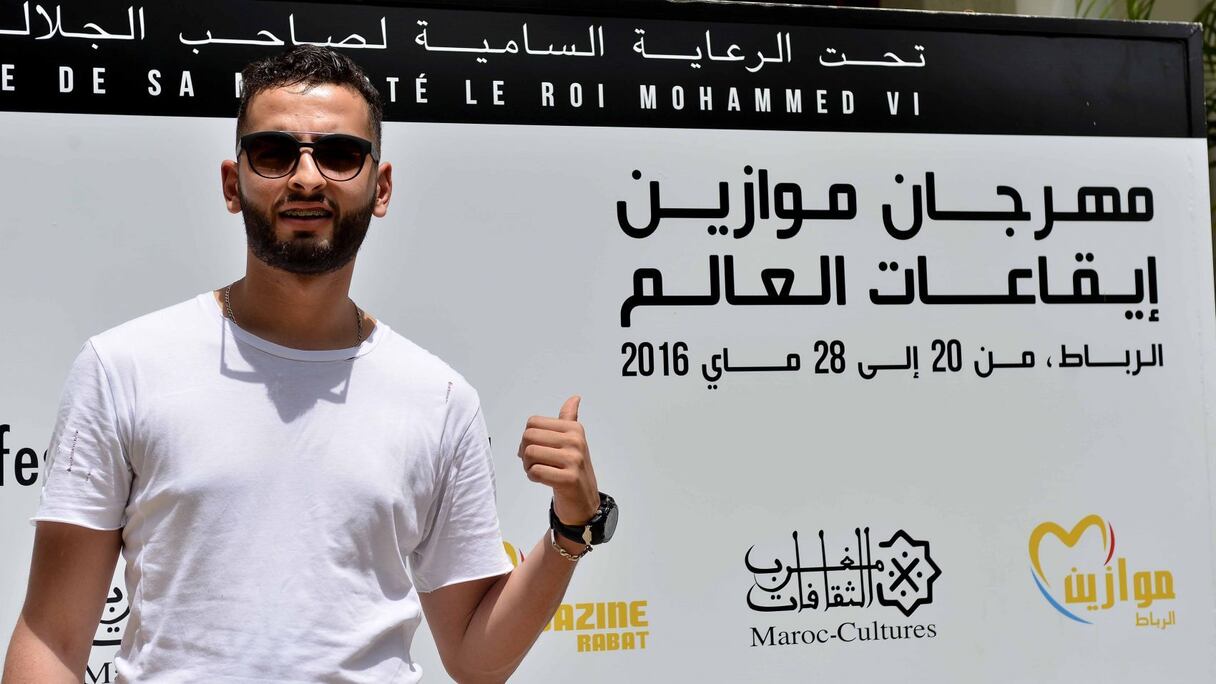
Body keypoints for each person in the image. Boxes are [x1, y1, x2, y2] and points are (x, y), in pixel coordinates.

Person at [1, 46, 617, 683]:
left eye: (339, 154)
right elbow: (53, 635)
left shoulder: (438, 398)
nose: (305, 178)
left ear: (380, 187)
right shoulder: (124, 368)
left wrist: (571, 530)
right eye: (274, 153)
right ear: (232, 183)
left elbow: (475, 658)